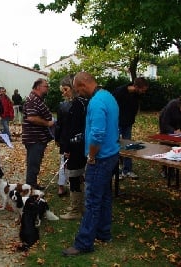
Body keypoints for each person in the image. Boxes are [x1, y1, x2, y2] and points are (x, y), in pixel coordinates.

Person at [62, 72, 119, 256]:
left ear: (83, 85)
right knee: (104, 196)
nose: (78, 93)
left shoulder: (96, 102)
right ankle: (104, 232)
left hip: (101, 158)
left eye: (78, 89)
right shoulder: (108, 96)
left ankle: (84, 243)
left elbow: (97, 134)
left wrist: (92, 157)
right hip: (112, 154)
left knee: (93, 200)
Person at [58, 75, 89, 220]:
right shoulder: (82, 102)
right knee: (77, 175)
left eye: (65, 89)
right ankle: (78, 206)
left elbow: (75, 129)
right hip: (80, 145)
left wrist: (68, 148)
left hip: (76, 147)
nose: (63, 93)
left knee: (74, 176)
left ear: (73, 88)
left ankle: (76, 210)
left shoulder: (78, 104)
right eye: (62, 90)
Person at [113, 77, 149, 179]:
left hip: (128, 123)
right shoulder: (120, 92)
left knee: (129, 146)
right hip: (117, 123)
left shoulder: (137, 95)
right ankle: (116, 171)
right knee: (116, 146)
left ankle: (127, 170)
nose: (143, 92)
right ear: (136, 86)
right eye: (143, 89)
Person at [22, 78, 54, 190]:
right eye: (46, 86)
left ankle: (32, 185)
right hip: (34, 138)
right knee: (33, 164)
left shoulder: (37, 99)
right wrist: (48, 123)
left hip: (38, 138)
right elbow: (31, 118)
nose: (48, 88)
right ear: (38, 87)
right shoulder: (32, 99)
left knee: (35, 163)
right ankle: (30, 188)